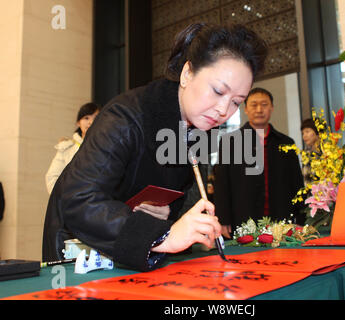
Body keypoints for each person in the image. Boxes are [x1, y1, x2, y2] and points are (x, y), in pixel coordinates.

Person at [42, 22, 268, 271]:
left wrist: (170, 216)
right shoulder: (124, 117)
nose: (224, 110)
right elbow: (78, 200)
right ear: (187, 73)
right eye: (217, 91)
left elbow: (177, 196)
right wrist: (162, 235)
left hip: (138, 254)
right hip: (81, 253)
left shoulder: (201, 127)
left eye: (236, 102)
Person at [214, 87, 304, 238]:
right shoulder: (231, 142)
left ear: (272, 108)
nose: (259, 109)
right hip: (243, 221)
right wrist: (223, 219)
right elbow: (222, 184)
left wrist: (300, 217)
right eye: (254, 105)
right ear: (246, 109)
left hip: (280, 220)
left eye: (264, 104)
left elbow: (296, 183)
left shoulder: (286, 142)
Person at [45, 103, 101, 194]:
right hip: (72, 203)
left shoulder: (107, 147)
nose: (91, 122)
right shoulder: (66, 148)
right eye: (86, 118)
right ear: (78, 123)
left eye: (95, 118)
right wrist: (68, 199)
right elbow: (52, 178)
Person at [300, 118, 321, 186]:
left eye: (307, 131)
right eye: (303, 133)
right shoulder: (306, 154)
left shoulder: (327, 152)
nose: (304, 136)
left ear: (317, 131)